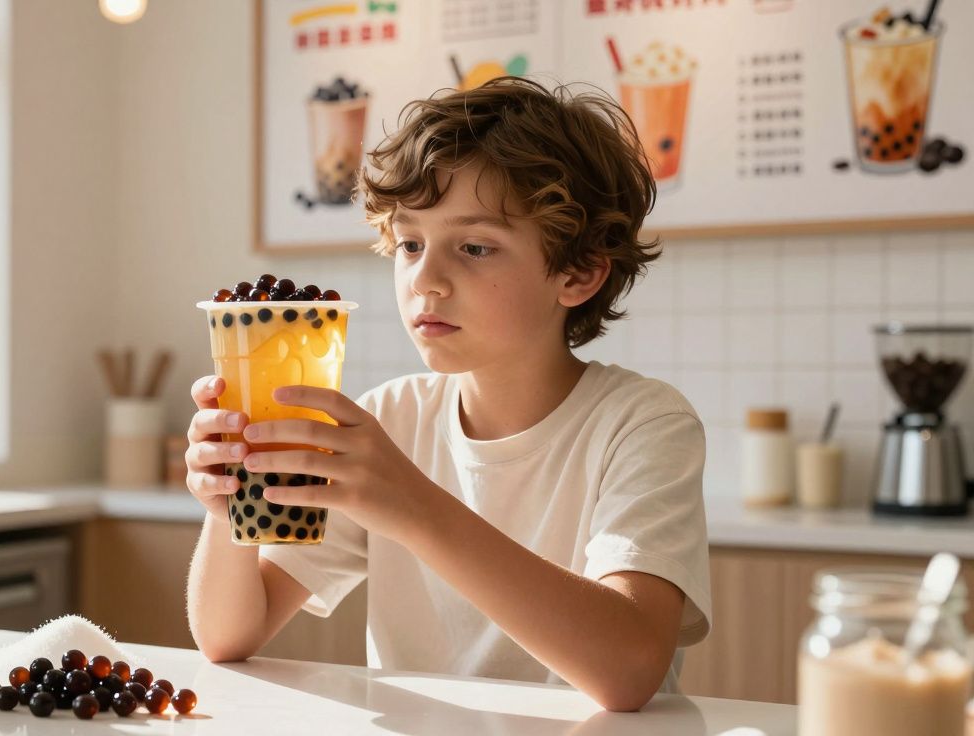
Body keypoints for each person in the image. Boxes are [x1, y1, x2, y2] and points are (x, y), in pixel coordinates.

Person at [183, 77, 709, 712]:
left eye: (475, 247)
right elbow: (229, 636)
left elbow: (628, 669)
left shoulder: (642, 424)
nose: (425, 280)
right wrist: (227, 508)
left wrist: (414, 507)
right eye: (410, 244)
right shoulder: (390, 418)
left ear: (578, 273)